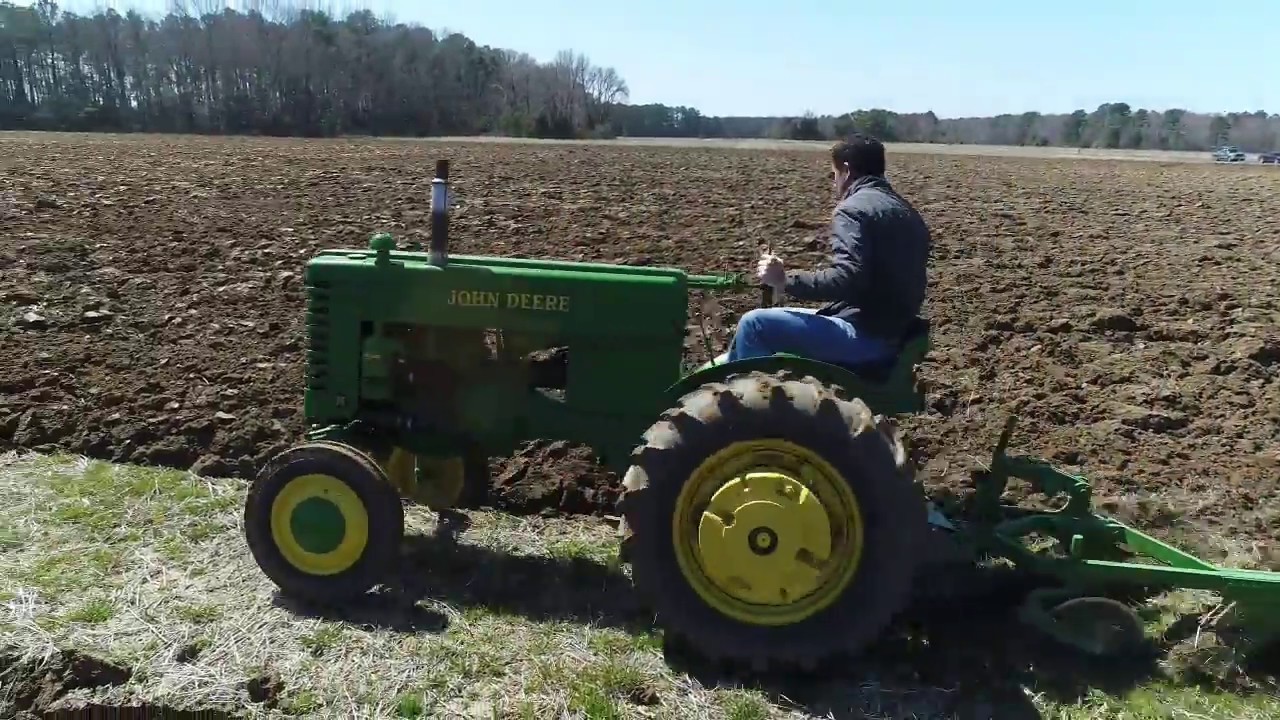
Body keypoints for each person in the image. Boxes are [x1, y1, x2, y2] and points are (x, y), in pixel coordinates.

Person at [724, 133, 931, 366]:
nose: (835, 183)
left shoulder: (853, 209)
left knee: (754, 324)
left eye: (834, 175)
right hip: (894, 332)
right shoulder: (907, 212)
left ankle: (746, 389)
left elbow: (848, 277)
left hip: (865, 335)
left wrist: (783, 280)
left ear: (846, 170)